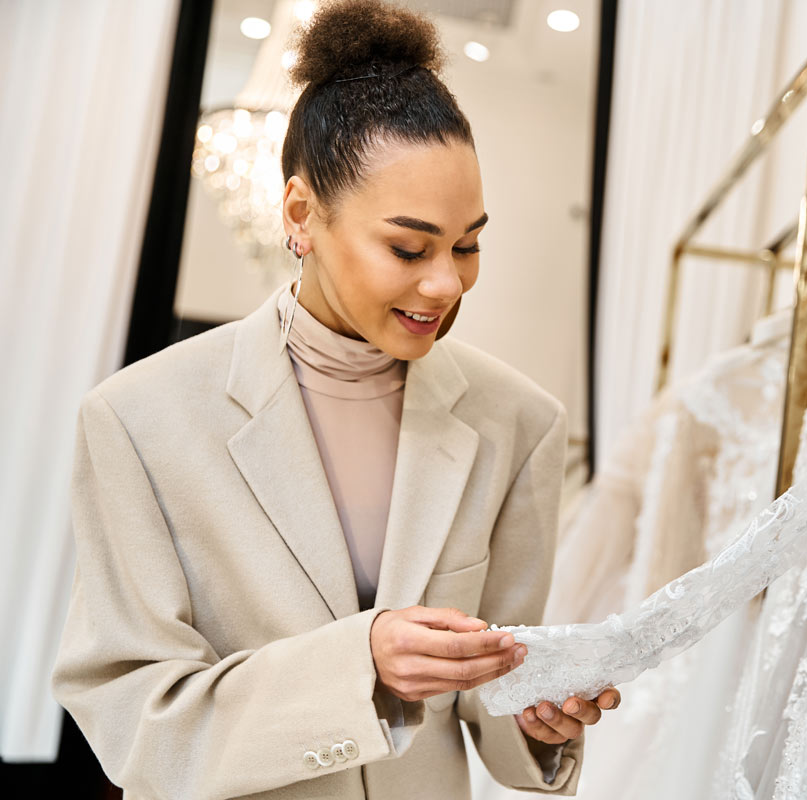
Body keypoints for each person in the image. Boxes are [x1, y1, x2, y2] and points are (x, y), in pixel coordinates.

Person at [50, 1, 617, 797]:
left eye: (469, 243)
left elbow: (492, 687)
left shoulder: (519, 423)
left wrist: (532, 716)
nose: (446, 283)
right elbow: (133, 716)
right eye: (408, 247)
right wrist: (360, 664)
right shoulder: (138, 418)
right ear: (300, 214)